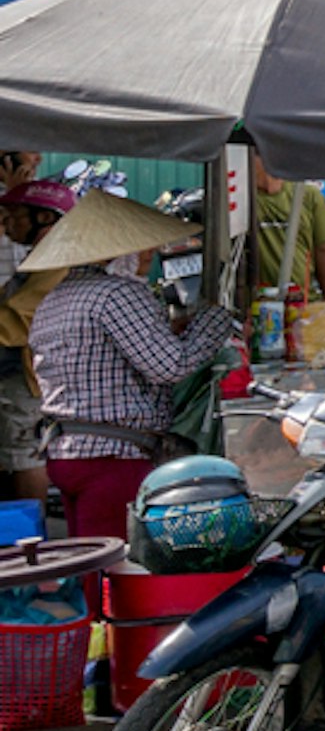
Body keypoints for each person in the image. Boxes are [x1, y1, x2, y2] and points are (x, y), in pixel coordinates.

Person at [27, 191, 236, 540]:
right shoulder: (117, 294)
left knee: (89, 564)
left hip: (68, 452)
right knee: (118, 566)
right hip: (113, 457)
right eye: (142, 247)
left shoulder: (56, 297)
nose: (148, 255)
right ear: (117, 252)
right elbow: (171, 365)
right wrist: (215, 320)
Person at [0, 178, 76, 508]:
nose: (7, 224)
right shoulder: (43, 258)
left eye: (14, 215)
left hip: (28, 380)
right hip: (20, 375)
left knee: (24, 456)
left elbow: (19, 319)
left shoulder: (55, 263)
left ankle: (27, 539)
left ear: (44, 218)